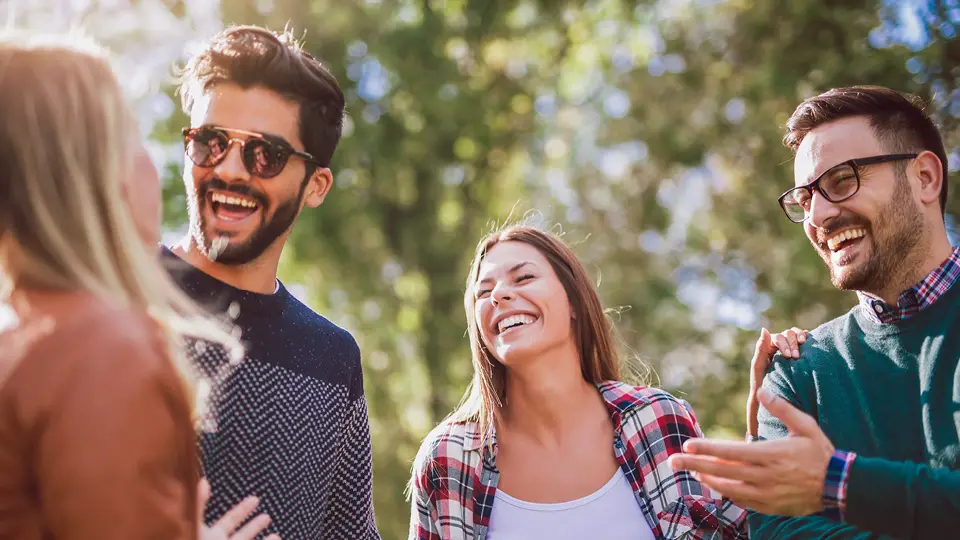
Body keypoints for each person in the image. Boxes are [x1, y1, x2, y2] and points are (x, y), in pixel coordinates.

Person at [0, 30, 271, 539]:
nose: (154, 166)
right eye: (135, 139)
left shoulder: (26, 340)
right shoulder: (104, 353)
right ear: (99, 178)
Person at [669, 85, 960, 538]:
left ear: (924, 178)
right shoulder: (796, 372)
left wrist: (837, 483)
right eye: (805, 199)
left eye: (843, 179)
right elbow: (779, 531)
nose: (819, 215)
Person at [165, 25, 379, 539]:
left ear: (316, 185)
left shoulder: (333, 359)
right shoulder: (104, 295)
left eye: (266, 154)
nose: (230, 170)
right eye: (211, 142)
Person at [408, 224, 749, 539]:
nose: (498, 295)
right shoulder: (447, 459)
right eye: (483, 293)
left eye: (524, 277)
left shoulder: (659, 420)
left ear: (573, 301)